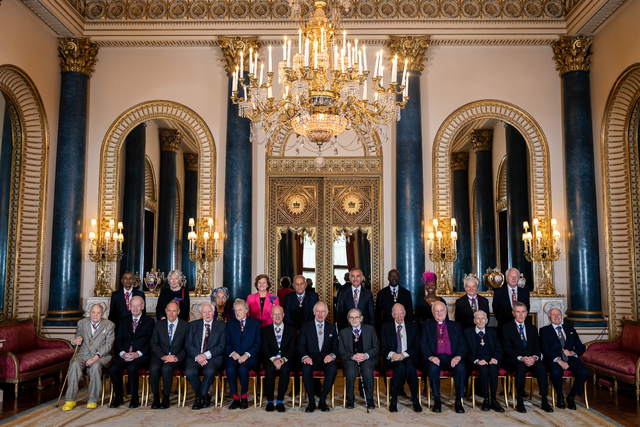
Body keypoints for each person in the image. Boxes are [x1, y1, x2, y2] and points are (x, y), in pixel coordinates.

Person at [61, 304, 115, 411]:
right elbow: (77, 339)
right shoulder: (82, 323)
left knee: (95, 367)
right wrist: (74, 341)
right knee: (74, 365)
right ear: (89, 313)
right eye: (93, 313)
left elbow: (108, 345)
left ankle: (92, 400)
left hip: (102, 356)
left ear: (102, 314)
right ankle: (70, 400)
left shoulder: (109, 325)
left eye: (98, 313)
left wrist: (96, 357)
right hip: (83, 354)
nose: (95, 315)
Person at [502, 302, 552, 413]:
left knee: (542, 367)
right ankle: (520, 400)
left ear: (526, 313)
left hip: (531, 358)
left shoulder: (532, 328)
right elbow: (507, 348)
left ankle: (544, 400)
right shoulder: (506, 328)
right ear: (513, 313)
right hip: (515, 359)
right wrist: (521, 358)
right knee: (521, 368)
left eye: (523, 312)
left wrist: (534, 357)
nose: (521, 314)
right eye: (518, 312)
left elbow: (537, 346)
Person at [420, 301, 466, 414]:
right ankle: (437, 400)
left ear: (446, 311)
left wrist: (458, 357)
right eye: (437, 311)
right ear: (432, 312)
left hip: (452, 358)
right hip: (435, 358)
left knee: (460, 368)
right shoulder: (426, 325)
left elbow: (462, 343)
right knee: (432, 368)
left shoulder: (455, 325)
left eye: (442, 310)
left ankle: (458, 401)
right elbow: (423, 343)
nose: (439, 313)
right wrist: (430, 357)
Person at [109, 296, 154, 408]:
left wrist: (137, 354)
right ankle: (118, 396)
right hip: (124, 354)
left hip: (140, 355)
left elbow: (150, 342)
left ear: (142, 306)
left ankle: (134, 397)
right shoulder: (123, 320)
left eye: (137, 306)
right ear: (129, 306)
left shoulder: (149, 321)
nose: (135, 308)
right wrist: (122, 354)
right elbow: (118, 341)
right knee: (113, 368)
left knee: (132, 368)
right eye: (132, 305)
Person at [540, 306, 588, 410]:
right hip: (553, 360)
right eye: (553, 314)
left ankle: (571, 396)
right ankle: (560, 396)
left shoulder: (570, 329)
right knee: (556, 372)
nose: (556, 316)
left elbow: (581, 346)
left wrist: (572, 352)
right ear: (549, 317)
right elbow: (545, 349)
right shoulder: (544, 330)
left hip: (570, 359)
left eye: (558, 314)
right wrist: (558, 360)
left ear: (562, 316)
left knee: (584, 371)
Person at [297, 301, 339, 413]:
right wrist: (305, 356)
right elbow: (300, 345)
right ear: (314, 312)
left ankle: (323, 399)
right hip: (311, 358)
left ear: (327, 313)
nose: (320, 314)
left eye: (323, 311)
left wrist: (332, 355)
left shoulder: (331, 327)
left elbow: (336, 347)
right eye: (318, 311)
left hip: (326, 358)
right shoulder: (306, 326)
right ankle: (311, 401)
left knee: (333, 367)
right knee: (305, 368)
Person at [380, 303, 422, 413]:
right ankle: (394, 401)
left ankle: (415, 400)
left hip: (408, 356)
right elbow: (383, 348)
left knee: (411, 368)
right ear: (392, 315)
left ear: (405, 313)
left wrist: (403, 355)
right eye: (397, 314)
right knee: (400, 368)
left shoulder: (413, 326)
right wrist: (393, 355)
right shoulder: (385, 327)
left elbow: (417, 347)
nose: (399, 317)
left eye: (401, 313)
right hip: (393, 358)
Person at [185, 302, 226, 410]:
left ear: (213, 312)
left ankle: (199, 398)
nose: (207, 314)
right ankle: (205, 395)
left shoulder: (221, 325)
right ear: (201, 314)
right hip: (195, 356)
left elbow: (222, 346)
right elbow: (188, 344)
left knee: (210, 371)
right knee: (189, 372)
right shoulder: (193, 325)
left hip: (213, 357)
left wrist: (206, 355)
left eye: (209, 311)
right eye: (205, 312)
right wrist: (198, 356)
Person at [149, 301, 189, 409]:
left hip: (176, 357)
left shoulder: (185, 325)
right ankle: (156, 398)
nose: (171, 313)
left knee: (166, 369)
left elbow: (187, 346)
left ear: (178, 312)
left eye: (174, 311)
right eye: (169, 311)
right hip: (160, 355)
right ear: (165, 311)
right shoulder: (159, 324)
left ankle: (166, 398)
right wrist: (163, 356)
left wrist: (177, 358)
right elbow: (153, 343)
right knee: (153, 368)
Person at [463, 310, 504, 412]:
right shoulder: (467, 332)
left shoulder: (492, 332)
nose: (480, 321)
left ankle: (494, 400)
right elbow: (466, 351)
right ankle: (486, 399)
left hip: (491, 359)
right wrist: (476, 361)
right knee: (484, 370)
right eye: (478, 318)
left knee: (494, 370)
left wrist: (495, 358)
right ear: (474, 321)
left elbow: (499, 348)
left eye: (483, 318)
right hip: (477, 360)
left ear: (486, 320)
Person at [225, 299, 261, 409]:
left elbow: (258, 343)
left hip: (249, 357)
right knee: (230, 369)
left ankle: (244, 397)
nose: (237, 312)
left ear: (246, 310)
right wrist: (233, 353)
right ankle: (235, 398)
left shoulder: (256, 323)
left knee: (243, 369)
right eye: (235, 310)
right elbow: (226, 343)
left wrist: (247, 355)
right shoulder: (230, 324)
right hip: (234, 355)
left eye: (240, 310)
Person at [339, 308, 379, 409]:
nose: (354, 320)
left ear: (361, 318)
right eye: (351, 318)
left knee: (367, 371)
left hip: (367, 359)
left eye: (357, 317)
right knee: (351, 371)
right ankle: (350, 399)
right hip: (351, 359)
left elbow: (376, 348)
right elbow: (342, 351)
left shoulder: (370, 330)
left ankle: (369, 399)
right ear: (348, 319)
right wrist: (352, 356)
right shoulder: (343, 333)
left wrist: (366, 355)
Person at [260, 305, 296, 412]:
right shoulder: (265, 330)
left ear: (283, 315)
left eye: (279, 314)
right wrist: (274, 359)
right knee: (270, 370)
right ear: (271, 316)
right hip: (270, 358)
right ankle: (270, 401)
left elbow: (292, 348)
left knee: (285, 370)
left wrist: (283, 360)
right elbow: (264, 348)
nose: (277, 316)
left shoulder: (291, 330)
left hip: (286, 359)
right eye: (275, 314)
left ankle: (280, 400)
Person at [492, 268, 530, 333]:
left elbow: (527, 309)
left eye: (516, 277)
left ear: (518, 279)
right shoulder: (498, 292)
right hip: (503, 327)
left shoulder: (525, 293)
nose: (513, 279)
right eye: (511, 276)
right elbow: (496, 310)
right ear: (506, 278)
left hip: (520, 328)